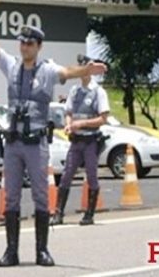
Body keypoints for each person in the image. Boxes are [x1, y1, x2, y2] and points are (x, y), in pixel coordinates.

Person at [0, 0, 108, 267]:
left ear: (38, 47)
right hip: (13, 143)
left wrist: (86, 71)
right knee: (11, 197)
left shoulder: (47, 71)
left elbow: (67, 72)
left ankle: (42, 250)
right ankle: (11, 251)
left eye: (29, 43)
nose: (24, 46)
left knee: (41, 195)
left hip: (36, 144)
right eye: (22, 42)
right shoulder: (11, 66)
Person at [51, 55, 110, 226]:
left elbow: (103, 118)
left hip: (91, 140)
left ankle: (89, 214)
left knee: (91, 175)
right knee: (66, 174)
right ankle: (58, 213)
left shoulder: (98, 91)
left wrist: (82, 123)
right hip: (76, 141)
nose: (83, 72)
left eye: (86, 69)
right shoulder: (75, 91)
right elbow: (68, 112)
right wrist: (69, 125)